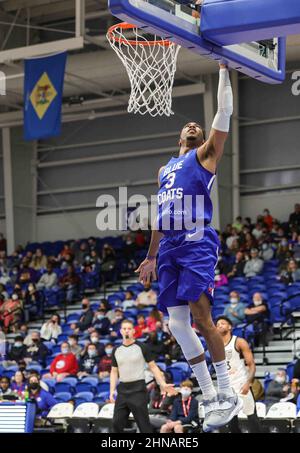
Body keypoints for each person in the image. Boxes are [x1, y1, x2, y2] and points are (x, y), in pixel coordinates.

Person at [136, 64, 242, 432]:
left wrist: (224, 72)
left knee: (200, 316)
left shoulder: (206, 155)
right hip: (168, 247)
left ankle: (227, 392)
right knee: (177, 323)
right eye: (189, 126)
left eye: (198, 126)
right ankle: (209, 392)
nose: (194, 126)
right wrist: (151, 254)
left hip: (196, 240)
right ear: (180, 136)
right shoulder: (165, 169)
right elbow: (159, 215)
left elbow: (223, 113)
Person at [110, 319, 175, 433]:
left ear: (133, 331)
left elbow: (154, 367)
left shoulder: (142, 347)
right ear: (121, 331)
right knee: (116, 423)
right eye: (124, 329)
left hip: (138, 390)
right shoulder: (116, 350)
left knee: (143, 425)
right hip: (122, 390)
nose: (127, 331)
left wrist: (162, 384)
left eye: (129, 329)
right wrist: (111, 391)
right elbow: (114, 372)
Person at [216, 316, 261, 433]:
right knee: (231, 422)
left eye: (223, 323)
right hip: (227, 388)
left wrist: (248, 383)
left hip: (241, 384)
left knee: (252, 418)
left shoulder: (239, 342)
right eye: (218, 324)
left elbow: (251, 364)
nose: (219, 325)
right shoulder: (215, 346)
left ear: (230, 327)